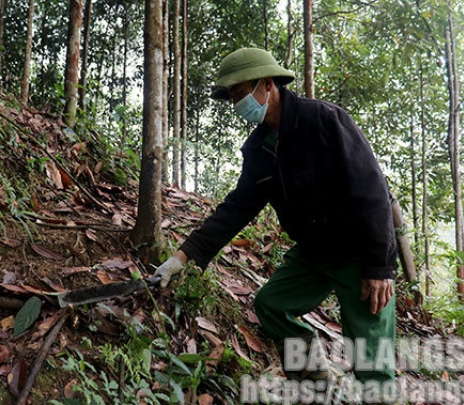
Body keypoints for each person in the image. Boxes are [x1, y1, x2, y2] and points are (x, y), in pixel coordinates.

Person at [154, 47, 399, 404]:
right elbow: (237, 208)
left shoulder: (325, 121)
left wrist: (380, 267)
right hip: (313, 253)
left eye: (241, 93)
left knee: (370, 361)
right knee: (272, 303)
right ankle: (314, 376)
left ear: (267, 84)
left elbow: (372, 191)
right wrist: (181, 257)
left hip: (359, 253)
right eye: (233, 98)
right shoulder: (258, 149)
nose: (237, 104)